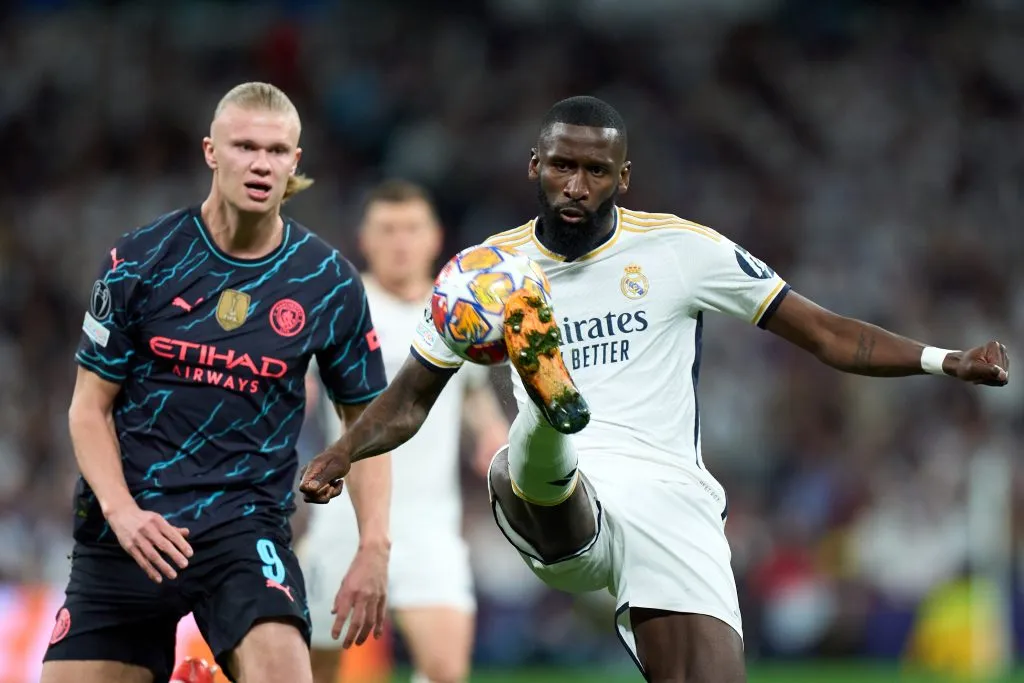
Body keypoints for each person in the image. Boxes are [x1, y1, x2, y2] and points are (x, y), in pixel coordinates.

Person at [298, 96, 1011, 683]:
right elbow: (410, 398)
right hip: (563, 498)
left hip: (671, 502)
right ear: (535, 165)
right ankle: (550, 403)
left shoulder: (680, 250)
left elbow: (824, 331)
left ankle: (548, 399)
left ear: (624, 176)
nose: (576, 185)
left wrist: (943, 359)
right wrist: (343, 453)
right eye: (562, 165)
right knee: (535, 453)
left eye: (596, 170)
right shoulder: (484, 274)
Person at [43, 82, 391, 683]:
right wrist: (122, 514)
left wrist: (374, 546)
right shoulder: (140, 260)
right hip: (131, 528)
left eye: (276, 151)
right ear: (211, 151)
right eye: (245, 146)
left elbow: (367, 424)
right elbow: (87, 409)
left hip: (244, 529)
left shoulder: (327, 281)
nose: (261, 164)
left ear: (294, 162)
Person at [296, 180, 509, 683]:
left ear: (435, 238)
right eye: (387, 230)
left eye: (412, 228)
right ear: (364, 239)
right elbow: (296, 379)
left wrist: (490, 431)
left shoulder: (457, 309)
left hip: (428, 524)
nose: (400, 242)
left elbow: (472, 390)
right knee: (314, 671)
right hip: (344, 519)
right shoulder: (341, 305)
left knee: (446, 672)